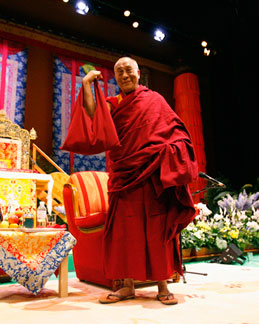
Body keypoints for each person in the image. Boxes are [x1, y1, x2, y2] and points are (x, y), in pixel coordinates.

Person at [81, 57, 198, 305]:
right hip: (125, 175)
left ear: (138, 74)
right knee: (124, 231)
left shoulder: (154, 100)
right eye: (119, 72)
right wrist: (86, 83)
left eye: (128, 71)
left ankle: (163, 285)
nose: (124, 75)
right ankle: (126, 286)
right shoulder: (113, 104)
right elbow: (93, 114)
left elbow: (177, 132)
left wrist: (168, 152)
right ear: (115, 77)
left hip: (153, 175)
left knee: (156, 230)